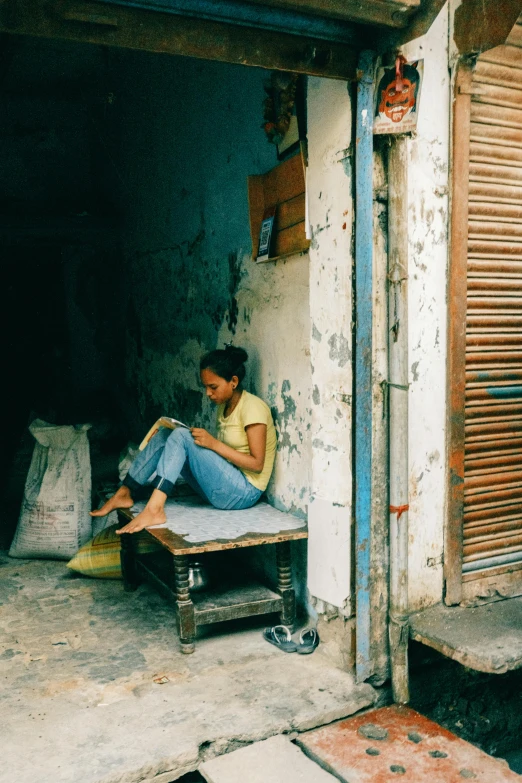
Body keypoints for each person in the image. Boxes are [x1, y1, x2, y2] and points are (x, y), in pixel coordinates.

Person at [91, 346, 277, 534]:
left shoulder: (253, 408)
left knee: (181, 436)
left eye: (213, 387)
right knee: (166, 434)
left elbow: (257, 464)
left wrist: (213, 444)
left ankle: (155, 509)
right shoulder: (225, 406)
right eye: (205, 387)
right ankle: (126, 491)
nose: (208, 393)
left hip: (244, 493)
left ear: (234, 381)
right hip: (223, 486)